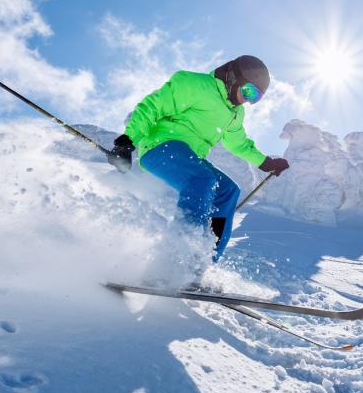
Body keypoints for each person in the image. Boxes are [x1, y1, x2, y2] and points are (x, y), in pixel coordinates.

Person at [106, 55, 289, 263]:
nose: (248, 100)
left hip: (190, 158)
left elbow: (238, 143)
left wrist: (266, 163)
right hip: (160, 147)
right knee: (203, 180)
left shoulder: (235, 114)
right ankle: (177, 259)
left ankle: (202, 263)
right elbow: (153, 106)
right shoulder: (195, 84)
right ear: (233, 77)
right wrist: (128, 141)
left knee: (229, 191)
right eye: (248, 91)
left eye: (255, 98)